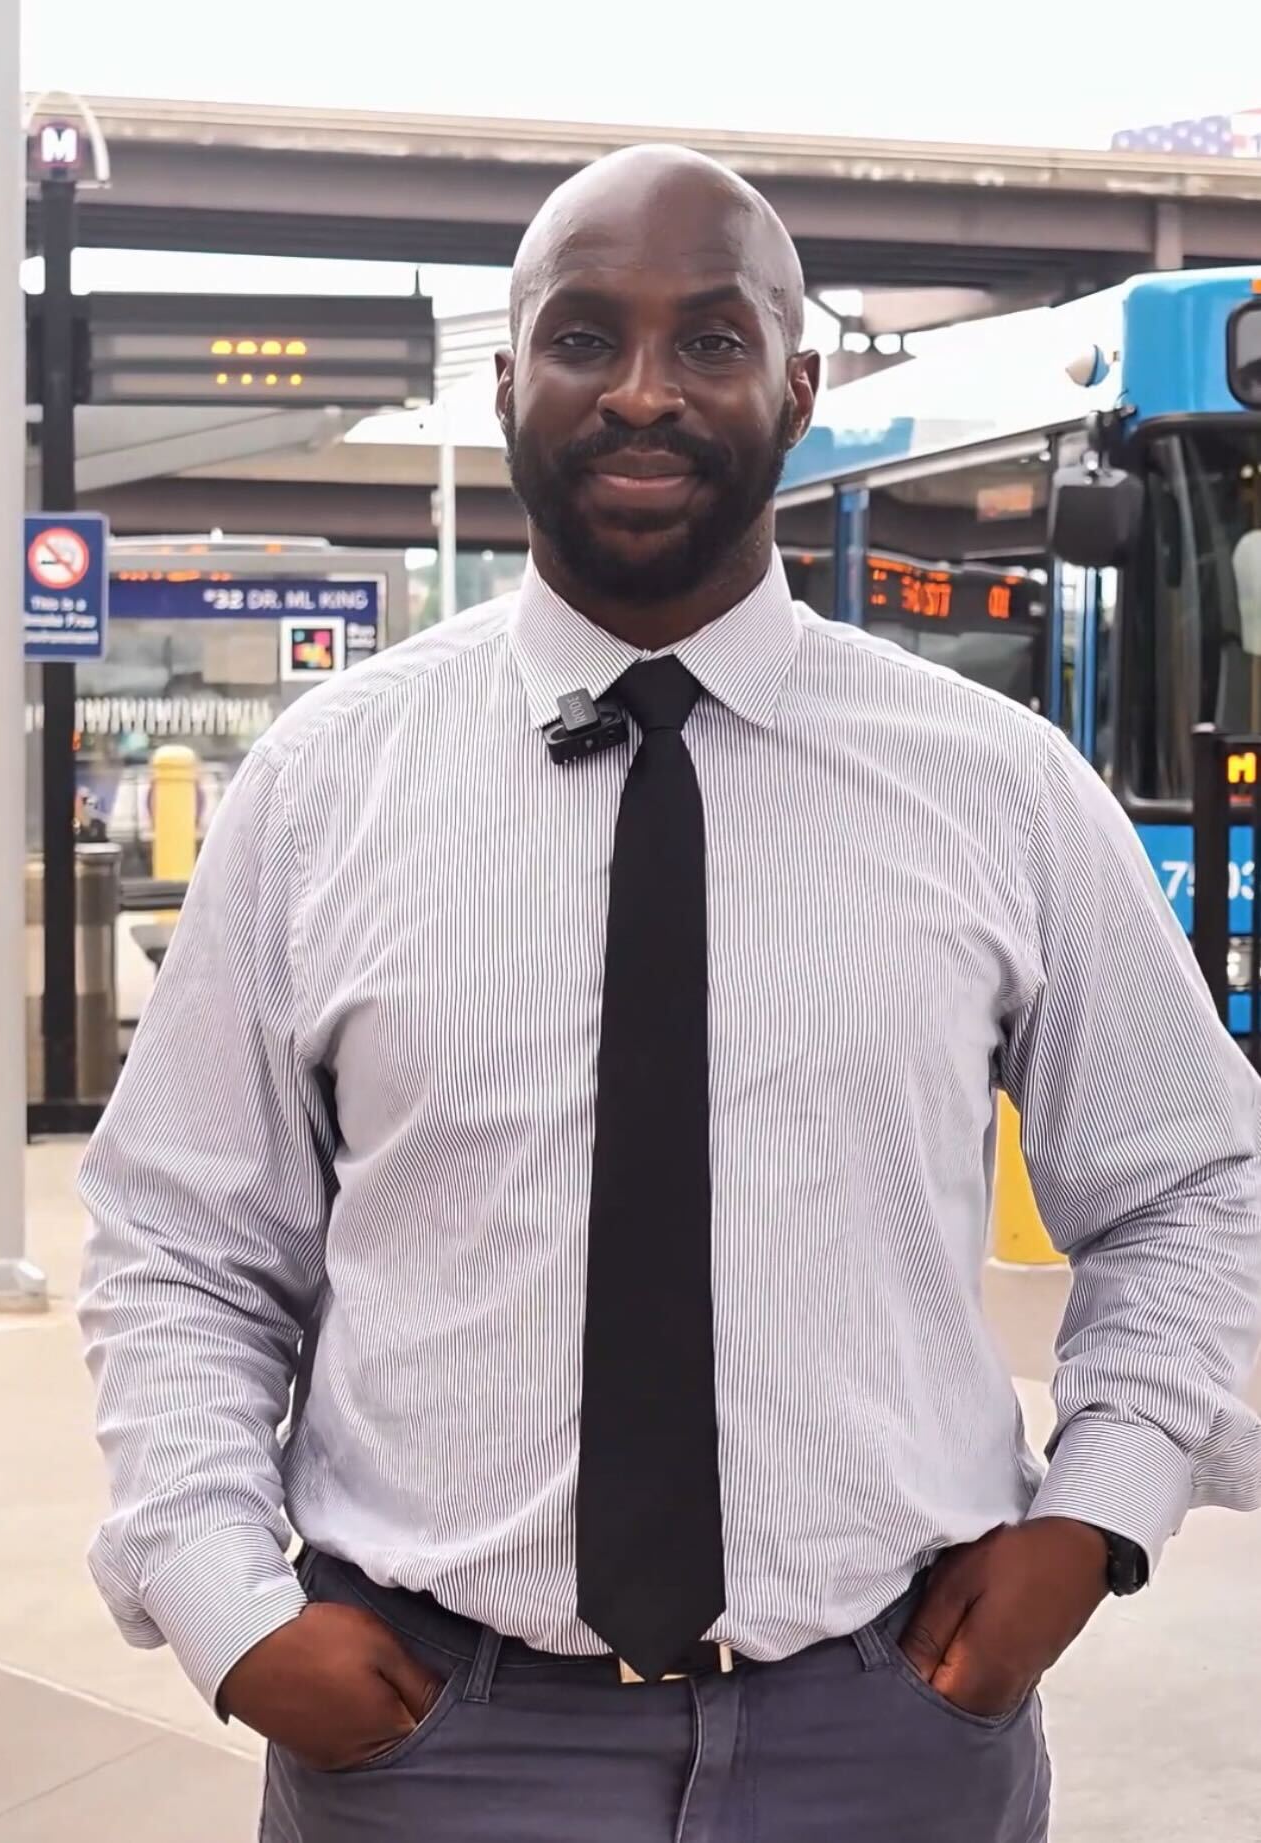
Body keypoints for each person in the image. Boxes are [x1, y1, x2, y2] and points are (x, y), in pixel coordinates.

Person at [78, 145, 1261, 1843]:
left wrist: (1096, 1519)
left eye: (710, 341)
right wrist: (225, 1604)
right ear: (506, 384)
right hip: (426, 1749)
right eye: (584, 338)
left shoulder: (1001, 790)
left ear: (796, 383)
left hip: (890, 1737)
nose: (644, 391)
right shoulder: (321, 787)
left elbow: (1188, 1183)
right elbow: (182, 1236)